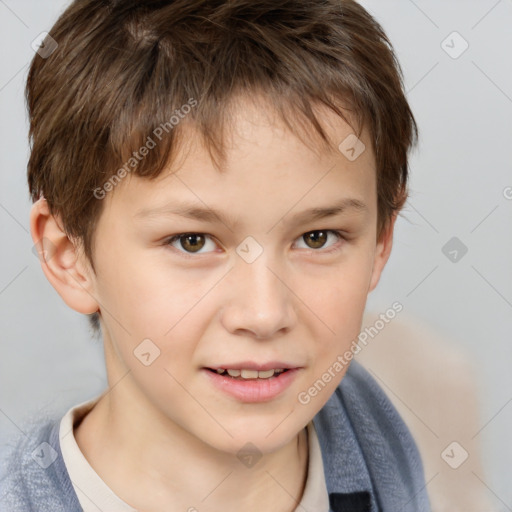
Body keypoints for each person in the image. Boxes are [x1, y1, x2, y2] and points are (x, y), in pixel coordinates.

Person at [0, 1, 431, 510]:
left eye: (317, 237)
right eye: (193, 242)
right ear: (69, 255)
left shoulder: (377, 425)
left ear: (381, 241)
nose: (265, 314)